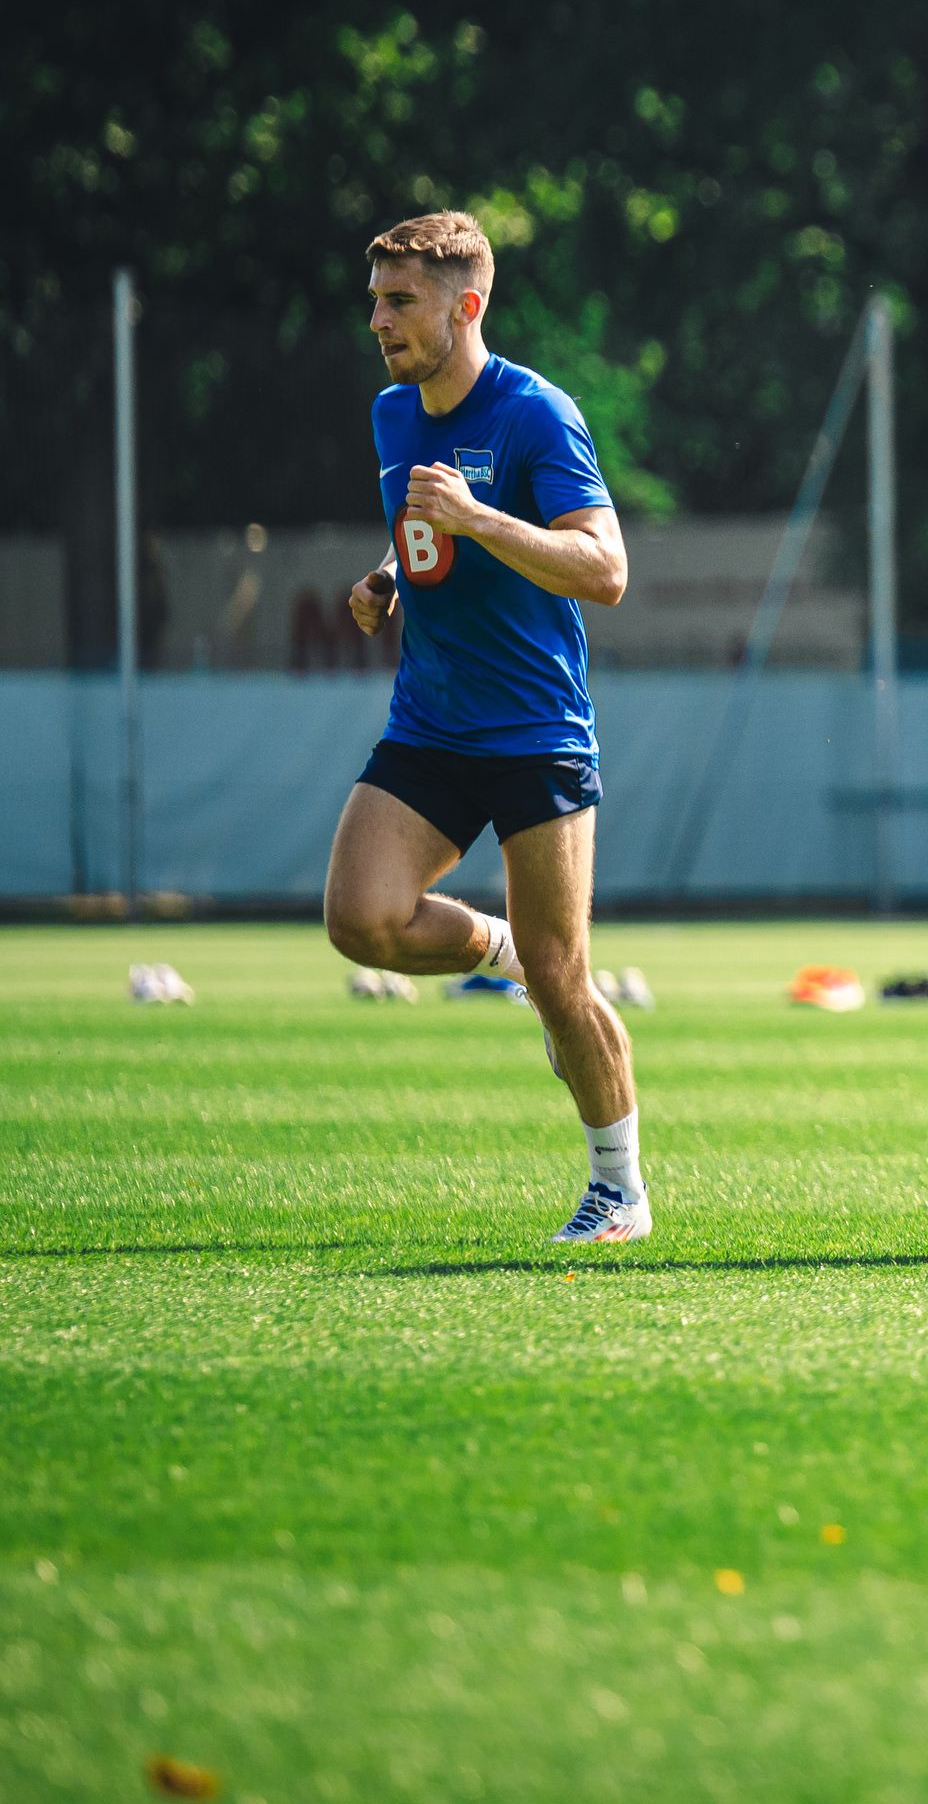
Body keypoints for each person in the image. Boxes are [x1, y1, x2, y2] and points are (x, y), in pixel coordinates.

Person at [320, 212, 649, 1244]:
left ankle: (620, 1190)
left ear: (465, 307)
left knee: (566, 983)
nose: (378, 318)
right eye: (375, 298)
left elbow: (606, 571)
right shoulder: (390, 414)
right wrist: (387, 577)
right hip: (429, 722)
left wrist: (478, 520)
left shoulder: (538, 415)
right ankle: (505, 951)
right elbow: (418, 522)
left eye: (399, 299)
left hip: (535, 730)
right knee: (360, 920)